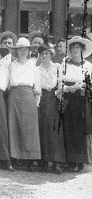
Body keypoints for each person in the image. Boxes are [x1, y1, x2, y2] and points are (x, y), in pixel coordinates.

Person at [7, 37, 42, 170]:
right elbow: (8, 84)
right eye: (20, 49)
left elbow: (37, 86)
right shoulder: (11, 65)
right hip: (14, 96)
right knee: (14, 126)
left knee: (29, 128)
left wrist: (36, 102)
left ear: (28, 50)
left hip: (28, 97)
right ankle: (15, 157)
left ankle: (29, 159)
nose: (22, 51)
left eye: (25, 49)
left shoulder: (33, 65)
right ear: (17, 51)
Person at [61, 36, 92, 172]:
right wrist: (69, 87)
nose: (75, 50)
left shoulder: (88, 66)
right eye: (73, 47)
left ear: (82, 49)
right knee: (68, 129)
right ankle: (70, 161)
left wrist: (83, 86)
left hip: (82, 99)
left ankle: (80, 161)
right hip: (68, 99)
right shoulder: (64, 64)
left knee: (81, 130)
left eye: (77, 47)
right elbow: (60, 82)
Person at [37, 45, 65, 174]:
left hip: (54, 98)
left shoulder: (57, 68)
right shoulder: (37, 69)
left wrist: (58, 94)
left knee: (55, 130)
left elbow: (61, 83)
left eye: (46, 53)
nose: (44, 56)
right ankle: (43, 161)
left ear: (51, 55)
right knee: (43, 128)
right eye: (42, 54)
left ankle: (56, 162)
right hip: (42, 98)